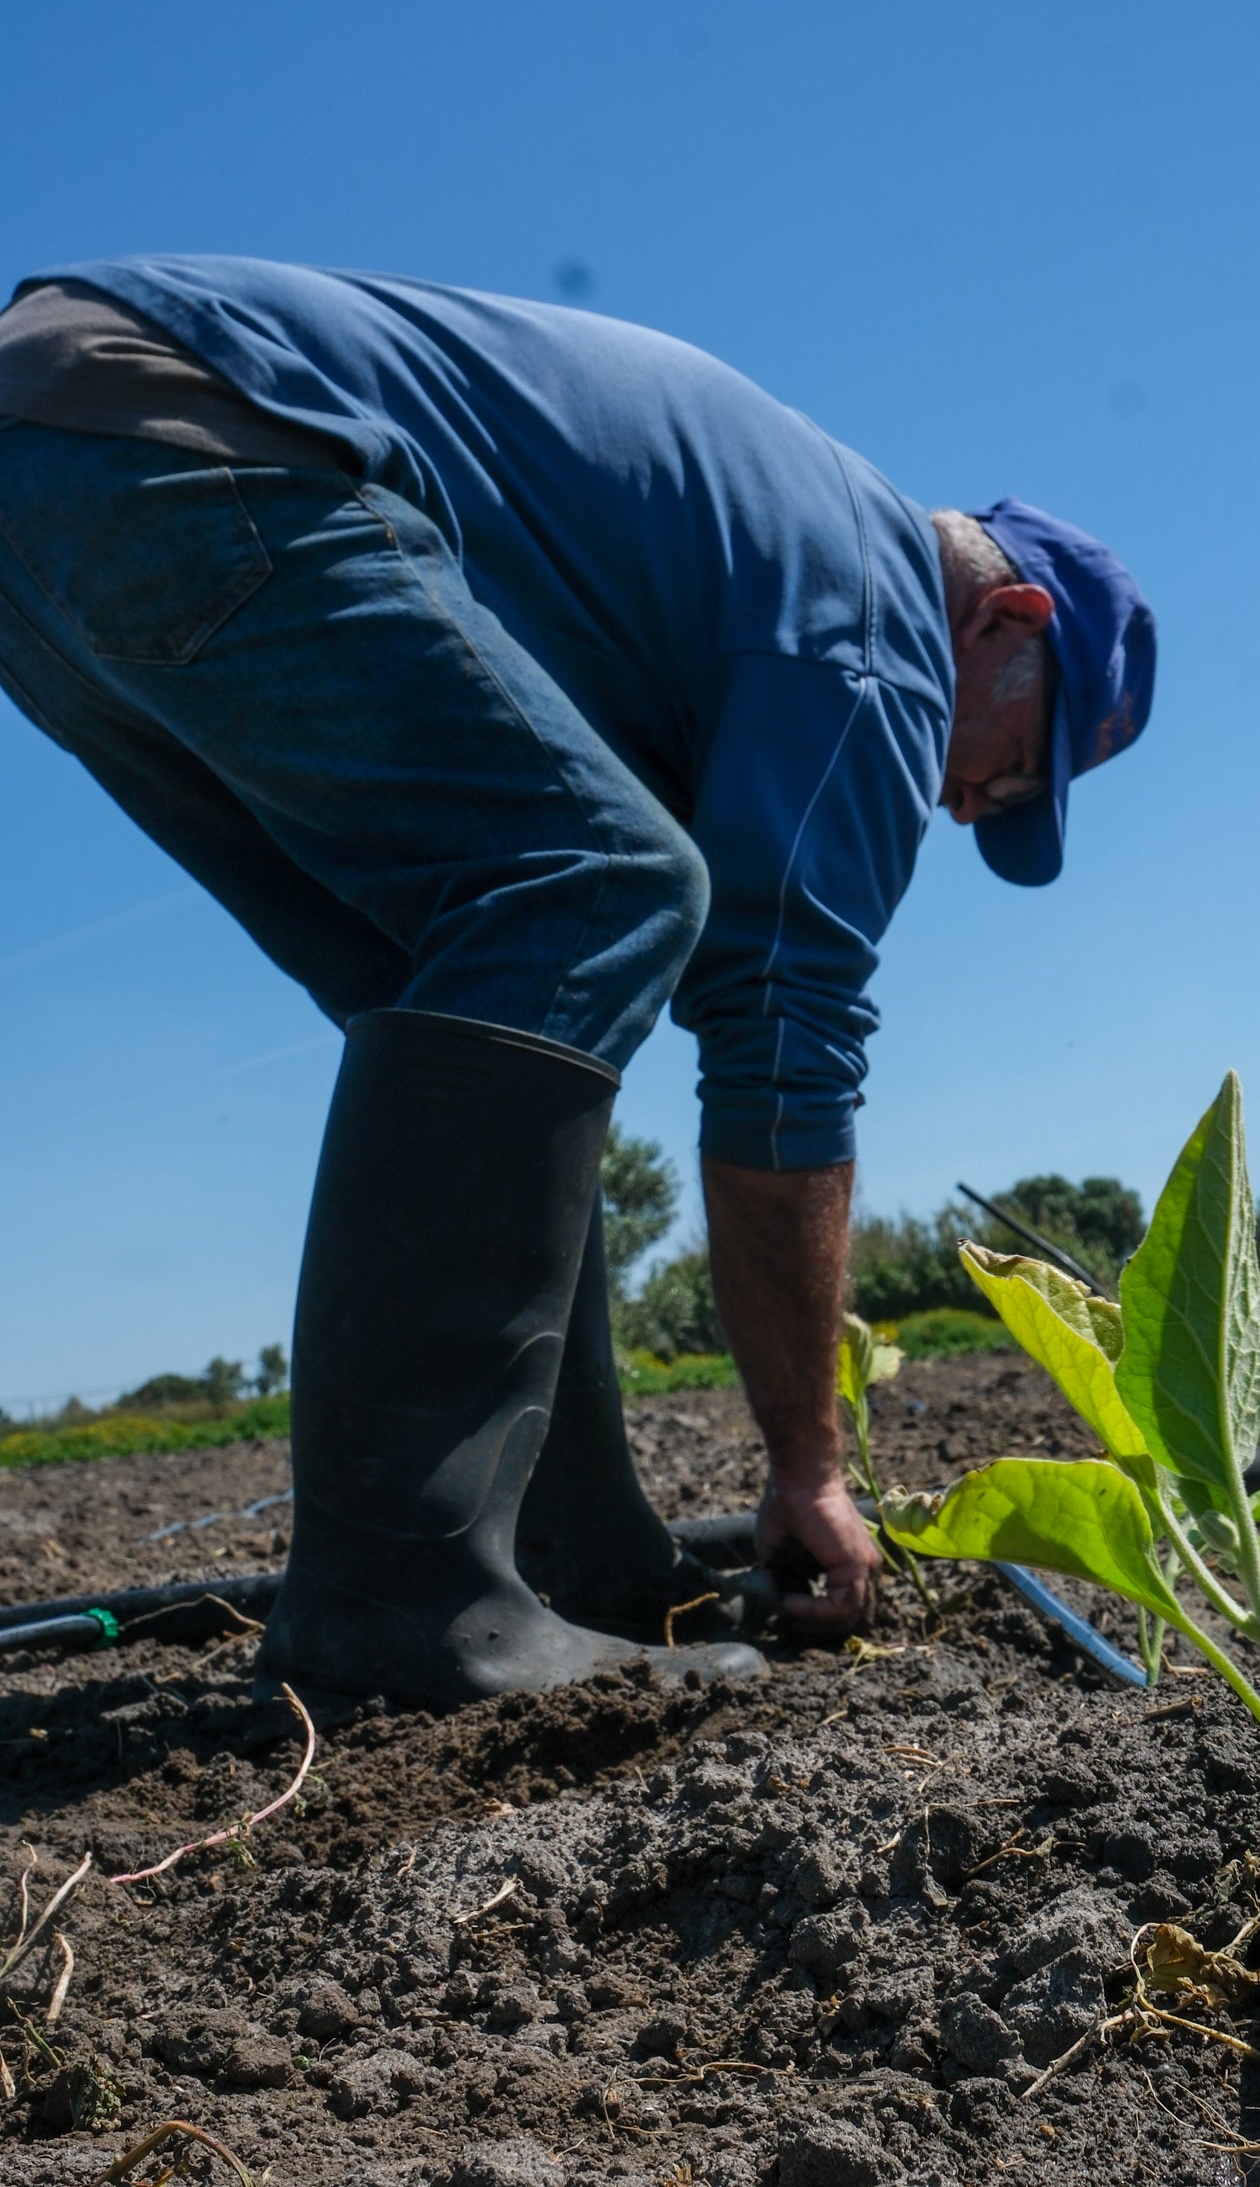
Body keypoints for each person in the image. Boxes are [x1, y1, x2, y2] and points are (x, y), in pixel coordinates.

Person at [0, 260, 1156, 1707]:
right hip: (197, 435)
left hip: (52, 477)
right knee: (603, 890)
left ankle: (575, 1553)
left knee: (456, 979)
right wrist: (808, 1465)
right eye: (1023, 761)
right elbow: (783, 1043)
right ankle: (398, 1598)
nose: (977, 801)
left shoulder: (766, 562)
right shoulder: (875, 637)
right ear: (1012, 622)